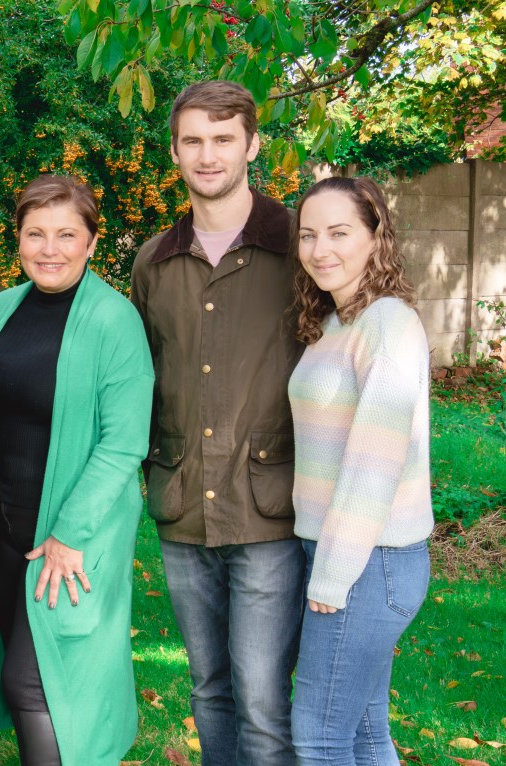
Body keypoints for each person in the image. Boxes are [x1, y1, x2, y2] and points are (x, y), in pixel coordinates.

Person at [129, 80, 306, 765]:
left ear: (252, 145)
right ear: (174, 150)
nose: (209, 155)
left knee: (262, 696)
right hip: (183, 507)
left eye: (224, 139)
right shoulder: (154, 260)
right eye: (194, 140)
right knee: (208, 689)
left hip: (270, 508)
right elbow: (143, 379)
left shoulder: (298, 245)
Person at [0, 176, 154, 765]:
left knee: (37, 681)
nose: (49, 249)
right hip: (3, 528)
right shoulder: (3, 306)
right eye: (36, 234)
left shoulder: (113, 320)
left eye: (66, 235)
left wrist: (68, 533)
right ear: (18, 239)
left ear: (93, 242)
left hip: (72, 532)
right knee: (17, 678)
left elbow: (123, 445)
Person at [288, 176, 432, 765]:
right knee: (366, 734)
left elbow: (373, 465)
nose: (321, 248)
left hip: (366, 562)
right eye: (308, 235)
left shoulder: (388, 324)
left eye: (340, 232)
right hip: (344, 556)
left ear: (376, 237)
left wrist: (332, 576)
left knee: (318, 738)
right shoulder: (336, 322)